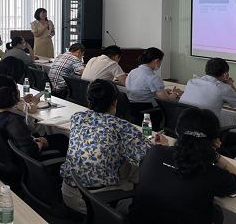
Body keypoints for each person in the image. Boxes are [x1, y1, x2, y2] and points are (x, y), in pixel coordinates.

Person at [60, 79, 168, 214]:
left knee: (126, 163)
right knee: (141, 167)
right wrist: (162, 147)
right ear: (115, 102)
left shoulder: (77, 118)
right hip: (99, 203)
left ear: (89, 99)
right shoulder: (121, 126)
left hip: (69, 194)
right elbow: (150, 159)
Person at [128, 108, 236, 224]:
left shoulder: (155, 152)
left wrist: (165, 147)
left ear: (177, 132)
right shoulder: (211, 172)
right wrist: (215, 156)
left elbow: (171, 170)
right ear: (215, 140)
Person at [0, 75, 68, 158]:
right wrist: (40, 142)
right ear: (12, 95)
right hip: (22, 160)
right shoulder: (13, 120)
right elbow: (30, 151)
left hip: (2, 155)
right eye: (17, 88)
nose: (18, 91)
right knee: (62, 140)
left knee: (55, 137)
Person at [179, 57, 236, 157]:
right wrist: (231, 85)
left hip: (183, 129)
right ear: (225, 74)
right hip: (205, 134)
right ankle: (215, 160)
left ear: (205, 71)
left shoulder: (192, 82)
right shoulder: (224, 88)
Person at [125, 47, 182, 125]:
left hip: (132, 111)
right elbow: (167, 99)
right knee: (176, 106)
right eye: (161, 62)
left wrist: (163, 91)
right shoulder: (154, 78)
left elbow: (141, 89)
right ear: (157, 61)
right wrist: (176, 93)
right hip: (148, 113)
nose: (160, 65)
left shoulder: (133, 72)